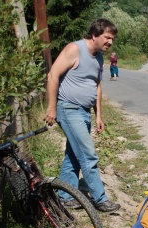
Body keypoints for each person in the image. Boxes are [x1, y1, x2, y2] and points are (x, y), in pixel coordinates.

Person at [44, 19, 120, 213]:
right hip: (68, 109)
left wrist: (99, 116)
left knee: (74, 156)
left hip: (84, 112)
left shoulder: (99, 57)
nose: (110, 42)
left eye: (112, 38)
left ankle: (66, 196)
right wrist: (51, 107)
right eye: (107, 37)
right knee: (88, 154)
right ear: (94, 34)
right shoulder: (74, 49)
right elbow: (52, 75)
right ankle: (100, 199)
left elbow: (97, 86)